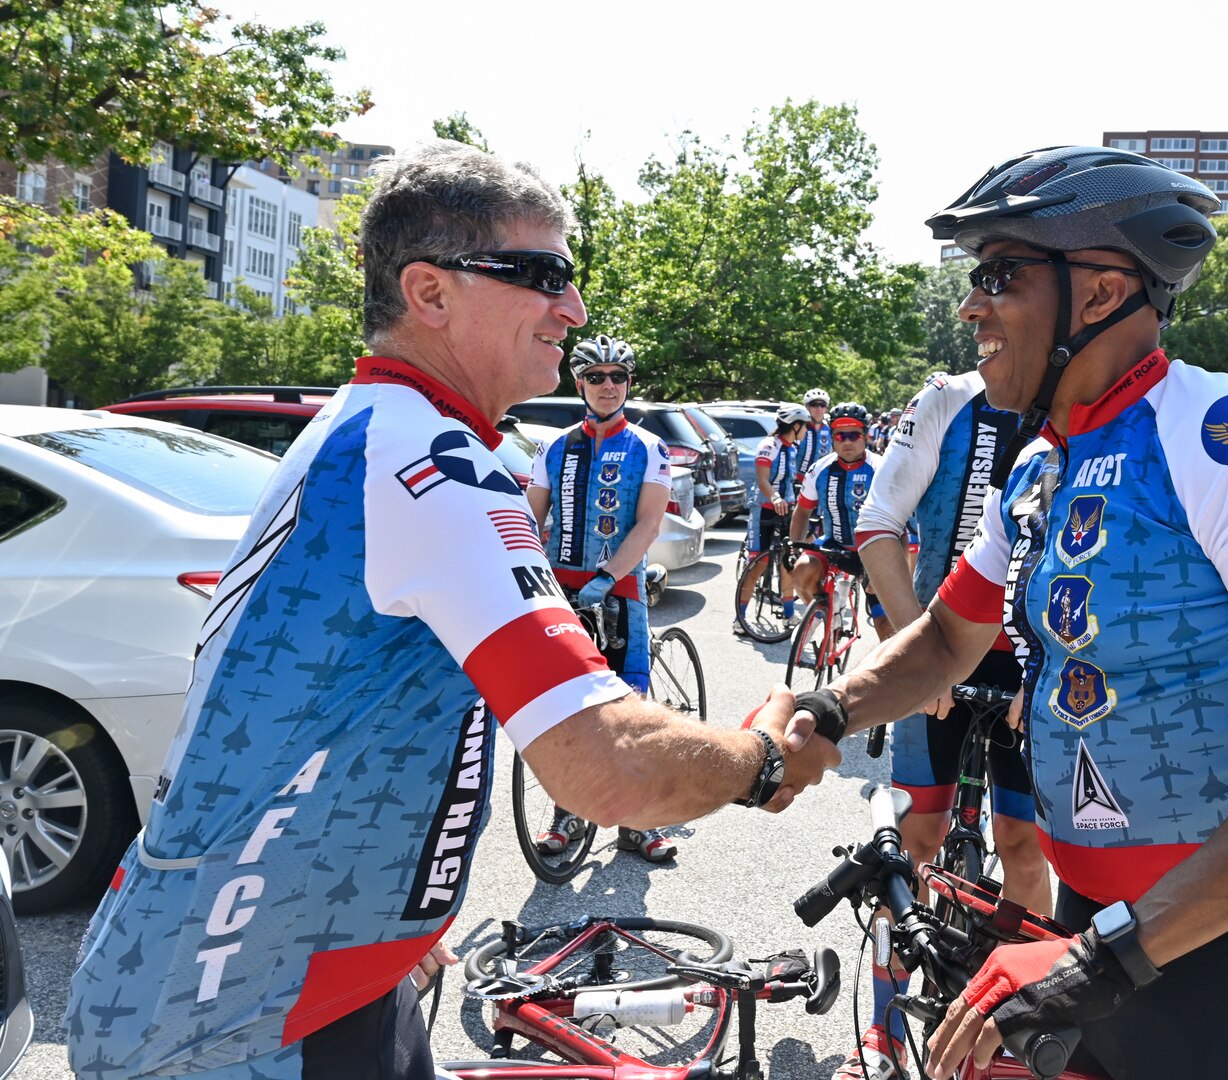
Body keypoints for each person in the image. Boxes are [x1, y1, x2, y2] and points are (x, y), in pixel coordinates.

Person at [65, 140, 838, 1080]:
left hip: (291, 974)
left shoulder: (374, 427)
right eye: (542, 274)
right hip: (246, 1018)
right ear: (429, 294)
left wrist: (395, 917)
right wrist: (761, 760)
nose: (575, 309)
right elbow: (603, 770)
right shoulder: (435, 463)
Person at [779, 146, 1228, 1080]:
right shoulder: (1042, 466)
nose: (970, 307)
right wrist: (824, 714)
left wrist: (1110, 959)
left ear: (1099, 292)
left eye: (998, 275)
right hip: (1098, 920)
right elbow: (948, 638)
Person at [845, 368, 1051, 1080]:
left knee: (1024, 847)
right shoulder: (948, 399)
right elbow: (876, 524)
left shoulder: (1087, 404)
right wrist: (918, 653)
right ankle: (879, 1028)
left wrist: (1051, 671)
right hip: (936, 648)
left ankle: (1022, 1024)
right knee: (913, 846)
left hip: (1034, 671)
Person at [527, 334, 680, 863]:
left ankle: (639, 821)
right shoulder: (554, 446)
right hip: (557, 591)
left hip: (620, 589)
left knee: (628, 709)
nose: (608, 385)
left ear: (628, 383)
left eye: (618, 376)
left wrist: (609, 575)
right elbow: (531, 520)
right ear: (580, 384)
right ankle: (568, 811)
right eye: (597, 377)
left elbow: (648, 524)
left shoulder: (648, 446)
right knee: (565, 709)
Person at [786, 402, 892, 642]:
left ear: (865, 436)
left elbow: (900, 521)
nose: (847, 441)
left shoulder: (882, 468)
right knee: (801, 572)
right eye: (840, 435)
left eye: (854, 435)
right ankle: (824, 617)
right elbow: (803, 512)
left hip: (874, 553)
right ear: (832, 438)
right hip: (835, 543)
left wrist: (890, 568)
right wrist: (795, 547)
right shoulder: (819, 469)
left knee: (886, 629)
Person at [735, 402, 811, 635]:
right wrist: (776, 497)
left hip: (786, 509)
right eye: (805, 426)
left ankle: (788, 614)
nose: (807, 430)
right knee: (758, 564)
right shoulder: (769, 445)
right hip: (765, 509)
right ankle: (739, 617)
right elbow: (762, 480)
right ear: (795, 425)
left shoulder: (792, 448)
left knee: (788, 561)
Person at [795, 387, 833, 481]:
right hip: (797, 480)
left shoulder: (830, 429)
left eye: (822, 405)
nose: (819, 409)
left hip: (820, 480)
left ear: (826, 408)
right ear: (807, 407)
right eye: (814, 405)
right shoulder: (798, 427)